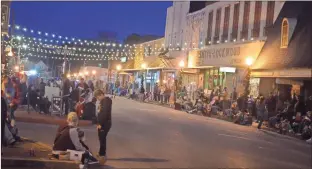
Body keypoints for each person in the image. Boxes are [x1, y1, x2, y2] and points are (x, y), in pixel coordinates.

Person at [94, 89, 112, 161]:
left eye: (98, 97)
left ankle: (102, 154)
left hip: (104, 123)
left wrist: (99, 124)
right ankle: (101, 153)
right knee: (101, 138)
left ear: (101, 94)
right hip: (103, 123)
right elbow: (99, 113)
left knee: (102, 139)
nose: (97, 99)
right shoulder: (103, 101)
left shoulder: (106, 102)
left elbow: (103, 115)